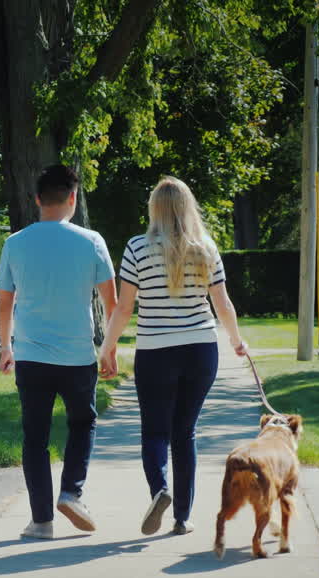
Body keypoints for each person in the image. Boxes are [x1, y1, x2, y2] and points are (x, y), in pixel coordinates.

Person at [98, 176, 248, 536]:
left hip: (156, 351)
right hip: (200, 350)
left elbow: (123, 309)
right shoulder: (206, 248)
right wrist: (236, 340)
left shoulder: (137, 248)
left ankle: (159, 491)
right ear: (187, 206)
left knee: (154, 431)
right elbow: (222, 303)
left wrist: (108, 347)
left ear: (155, 209)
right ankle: (183, 516)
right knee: (185, 432)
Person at [0, 165, 118, 540]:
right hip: (78, 356)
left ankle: (41, 522)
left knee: (35, 436)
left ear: (36, 199)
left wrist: (5, 346)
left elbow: (5, 302)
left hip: (31, 356)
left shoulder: (14, 243)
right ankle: (71, 492)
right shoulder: (92, 241)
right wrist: (109, 350)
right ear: (72, 197)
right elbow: (111, 303)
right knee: (83, 423)